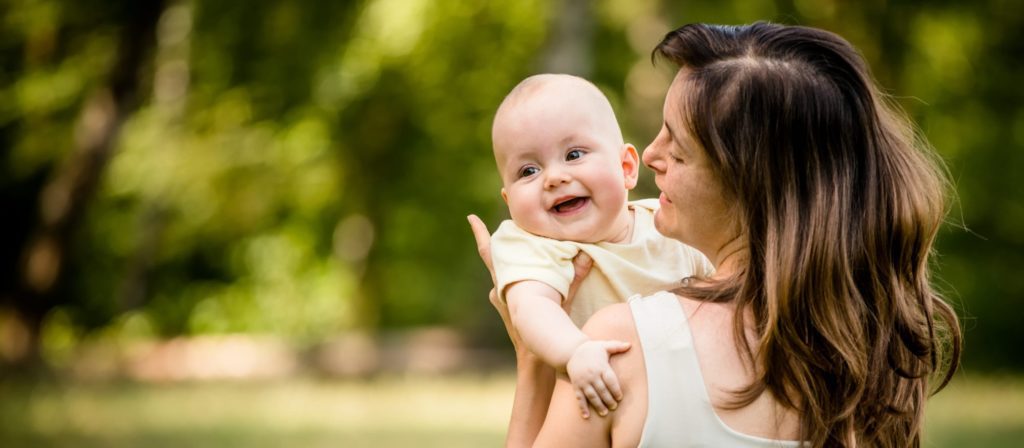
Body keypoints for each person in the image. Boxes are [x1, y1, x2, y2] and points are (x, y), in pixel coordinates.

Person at [469, 22, 961, 447]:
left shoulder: (619, 347)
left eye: (677, 150)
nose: (651, 156)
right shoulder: (867, 354)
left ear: (745, 181)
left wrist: (533, 363)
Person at [486, 74, 714, 427]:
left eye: (574, 154)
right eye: (528, 170)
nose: (554, 177)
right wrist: (575, 351)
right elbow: (531, 307)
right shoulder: (531, 244)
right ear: (509, 200)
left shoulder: (669, 224)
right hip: (593, 403)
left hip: (689, 399)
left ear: (626, 167)